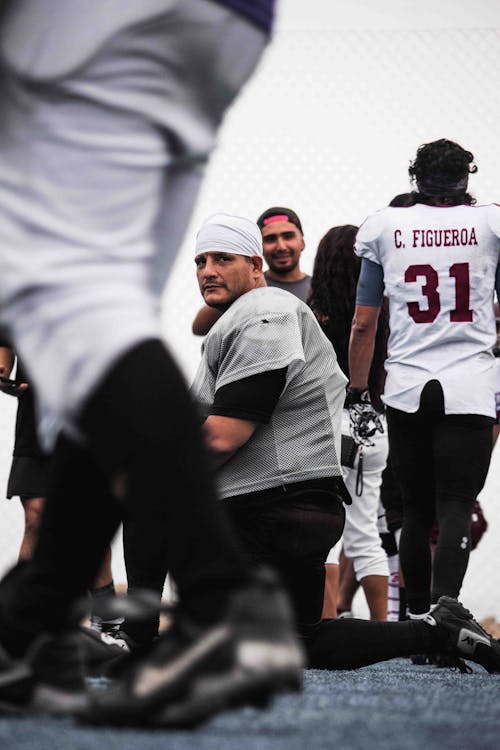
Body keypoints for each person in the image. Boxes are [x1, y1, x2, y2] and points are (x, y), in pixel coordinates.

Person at [0, 0, 305, 727]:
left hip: (110, 20)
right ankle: (32, 627)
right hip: (215, 22)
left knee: (56, 293)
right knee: (102, 321)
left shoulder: (268, 315)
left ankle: (222, 604)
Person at [189, 211, 500, 675]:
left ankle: (129, 639)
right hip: (307, 486)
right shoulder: (257, 311)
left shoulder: (266, 312)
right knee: (308, 638)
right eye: (199, 261)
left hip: (272, 496)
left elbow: (223, 436)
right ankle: (438, 631)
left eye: (222, 258)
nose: (208, 269)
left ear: (256, 265)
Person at [348, 138, 500, 622]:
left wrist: (357, 389)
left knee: (414, 511)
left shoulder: (386, 226)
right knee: (456, 502)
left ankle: (414, 624)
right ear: (466, 178)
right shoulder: (489, 223)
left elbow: (363, 323)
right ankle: (445, 617)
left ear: (415, 177)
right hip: (470, 382)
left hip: (407, 384)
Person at [308, 224, 389, 620]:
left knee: (320, 530)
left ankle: (325, 622)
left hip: (330, 426)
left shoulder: (314, 316)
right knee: (365, 533)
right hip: (374, 424)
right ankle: (383, 626)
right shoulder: (384, 313)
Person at [192, 206, 310, 335]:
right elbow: (199, 327)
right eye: (270, 239)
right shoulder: (244, 285)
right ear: (259, 247)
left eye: (288, 236)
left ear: (302, 242)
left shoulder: (322, 288)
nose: (281, 246)